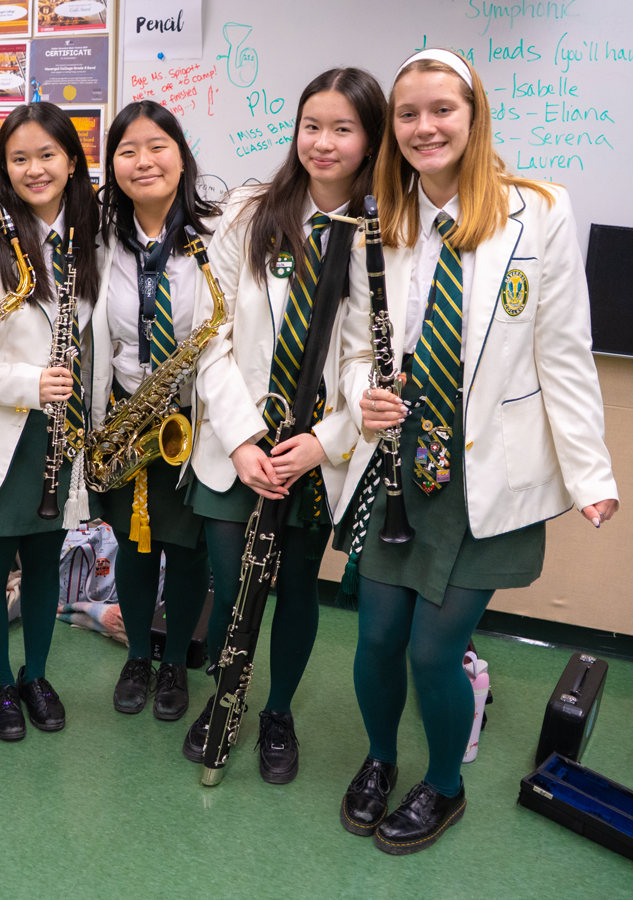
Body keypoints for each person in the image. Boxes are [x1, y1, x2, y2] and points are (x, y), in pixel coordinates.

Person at [333, 49, 619, 854]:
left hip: (487, 474)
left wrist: (591, 472)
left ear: (473, 113)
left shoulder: (542, 210)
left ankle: (444, 786)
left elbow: (564, 350)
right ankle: (381, 759)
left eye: (442, 110)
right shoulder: (377, 219)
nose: (426, 127)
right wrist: (365, 393)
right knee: (377, 640)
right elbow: (358, 347)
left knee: (433, 651)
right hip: (398, 472)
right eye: (409, 114)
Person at [181, 68, 385, 784]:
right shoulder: (248, 212)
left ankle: (276, 712)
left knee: (297, 590)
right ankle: (225, 696)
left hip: (312, 450)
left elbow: (365, 354)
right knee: (230, 578)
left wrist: (323, 443)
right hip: (234, 446)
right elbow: (213, 338)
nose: (322, 143)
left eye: (343, 129)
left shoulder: (381, 232)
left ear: (370, 140)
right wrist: (240, 440)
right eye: (311, 126)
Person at [0, 103, 100, 741]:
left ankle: (37, 674)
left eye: (47, 155)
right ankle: (1, 683)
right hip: (3, 428)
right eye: (19, 159)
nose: (35, 169)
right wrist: (28, 384)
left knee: (43, 562)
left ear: (71, 162)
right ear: (4, 170)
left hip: (61, 433)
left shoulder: (93, 239)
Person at [91, 100, 218, 722]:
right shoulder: (100, 242)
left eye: (157, 145)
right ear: (112, 165)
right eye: (127, 150)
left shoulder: (219, 235)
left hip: (194, 415)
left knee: (187, 547)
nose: (144, 161)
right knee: (133, 545)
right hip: (125, 417)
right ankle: (137, 654)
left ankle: (174, 664)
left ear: (181, 154)